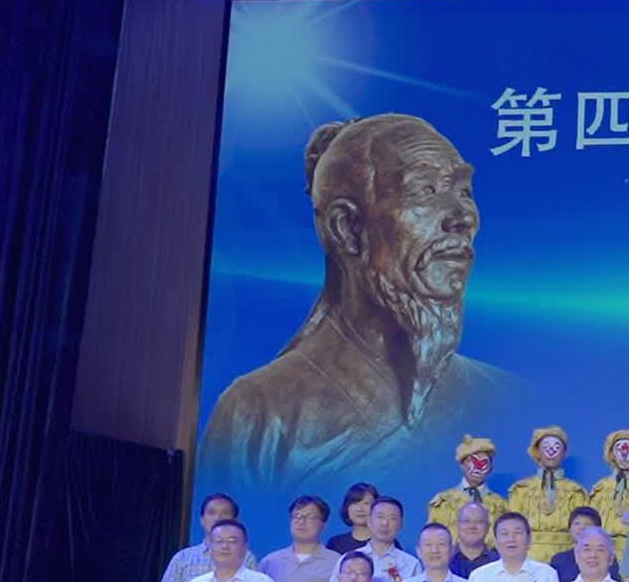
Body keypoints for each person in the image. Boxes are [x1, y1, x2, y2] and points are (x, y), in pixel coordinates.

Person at [200, 114, 511, 490]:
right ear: (346, 228)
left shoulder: (502, 395)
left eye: (463, 192)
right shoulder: (257, 416)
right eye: (426, 190)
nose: (463, 217)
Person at [508, 425, 589, 562]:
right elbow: (512, 527)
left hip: (567, 559)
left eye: (557, 447)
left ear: (564, 453)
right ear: (537, 451)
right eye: (546, 446)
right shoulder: (521, 490)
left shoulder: (576, 492)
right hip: (528, 559)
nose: (551, 451)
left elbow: (585, 531)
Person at [427, 435, 507, 543]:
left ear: (491, 468)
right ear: (462, 464)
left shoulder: (500, 506)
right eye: (472, 461)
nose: (478, 467)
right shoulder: (443, 502)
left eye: (484, 462)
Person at [587, 428, 629, 561]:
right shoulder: (601, 487)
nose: (624, 455)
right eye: (619, 449)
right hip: (602, 554)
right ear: (611, 454)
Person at [549, 506, 621, 582]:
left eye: (587, 524)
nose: (581, 528)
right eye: (577, 523)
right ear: (570, 528)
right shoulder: (559, 559)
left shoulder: (606, 558)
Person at [325, 482, 382, 556]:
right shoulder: (335, 544)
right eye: (355, 503)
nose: (360, 509)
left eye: (366, 503)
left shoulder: (385, 541)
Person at [448, 500, 499, 578]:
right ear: (457, 525)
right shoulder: (444, 559)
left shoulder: (498, 562)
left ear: (488, 527)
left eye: (479, 522)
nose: (472, 526)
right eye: (466, 521)